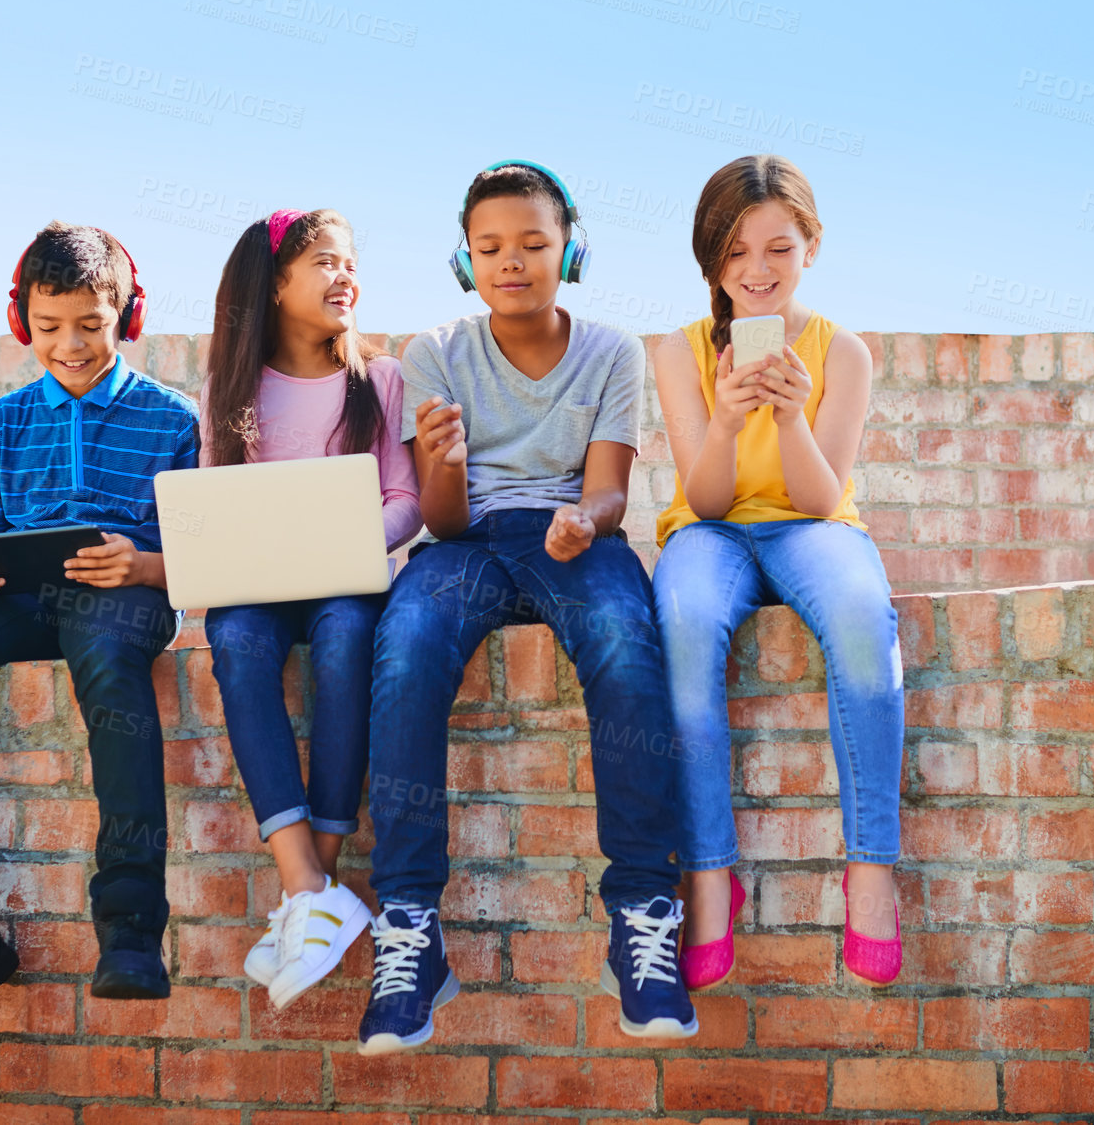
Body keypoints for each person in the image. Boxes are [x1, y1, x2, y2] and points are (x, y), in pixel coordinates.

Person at [357, 160, 696, 1055]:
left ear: (570, 250)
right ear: (466, 261)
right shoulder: (435, 352)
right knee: (403, 653)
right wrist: (447, 462)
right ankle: (410, 928)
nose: (512, 261)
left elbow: (611, 489)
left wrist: (584, 520)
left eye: (534, 243)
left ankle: (642, 915)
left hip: (572, 534)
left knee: (627, 644)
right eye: (491, 247)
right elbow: (441, 519)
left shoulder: (613, 350)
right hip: (467, 541)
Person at [0, 221, 199, 1053]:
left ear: (127, 315)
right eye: (50, 327)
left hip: (122, 598)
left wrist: (145, 565)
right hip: (20, 601)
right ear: (23, 322)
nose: (71, 345)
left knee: (105, 660)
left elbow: (204, 557)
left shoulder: (173, 418)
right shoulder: (3, 422)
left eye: (91, 325)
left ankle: (130, 924)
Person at [652, 155, 905, 989]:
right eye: (734, 254)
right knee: (683, 627)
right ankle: (709, 869)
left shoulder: (846, 353)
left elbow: (820, 495)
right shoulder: (679, 352)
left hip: (812, 525)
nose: (756, 272)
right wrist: (724, 421)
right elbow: (709, 500)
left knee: (867, 626)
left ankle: (870, 864)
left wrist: (791, 417)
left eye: (778, 249)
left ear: (812, 248)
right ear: (710, 262)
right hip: (714, 532)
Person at [201, 208, 420, 1009]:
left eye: (350, 261)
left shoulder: (384, 379)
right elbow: (214, 505)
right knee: (234, 642)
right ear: (274, 284)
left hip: (345, 582)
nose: (344, 275)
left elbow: (407, 498)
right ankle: (311, 886)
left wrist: (352, 547)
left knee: (346, 637)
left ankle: (305, 892)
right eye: (324, 262)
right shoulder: (229, 389)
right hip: (259, 588)